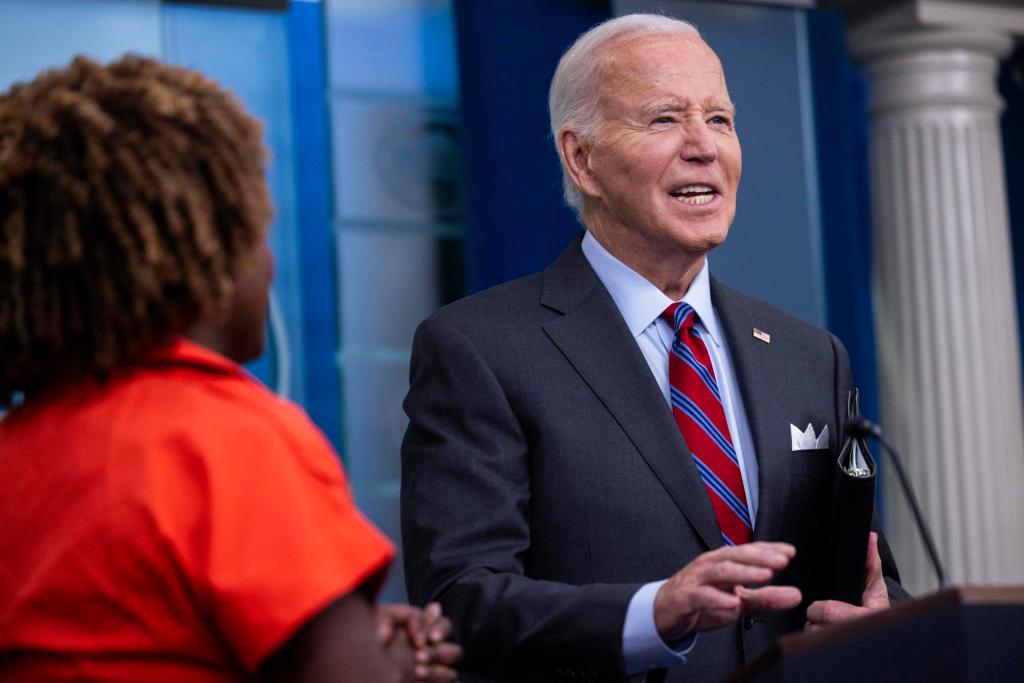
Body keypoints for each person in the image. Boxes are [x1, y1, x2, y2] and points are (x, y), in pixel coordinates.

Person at [401, 14, 905, 683]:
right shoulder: (479, 349)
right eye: (666, 119)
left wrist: (882, 619)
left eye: (720, 120)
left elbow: (868, 576)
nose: (703, 147)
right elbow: (459, 602)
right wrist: (653, 614)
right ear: (582, 159)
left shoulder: (810, 356)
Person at [0, 55, 460, 682]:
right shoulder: (229, 437)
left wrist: (348, 629)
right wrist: (398, 668)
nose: (269, 265)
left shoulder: (17, 449)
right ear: (202, 252)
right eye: (256, 231)